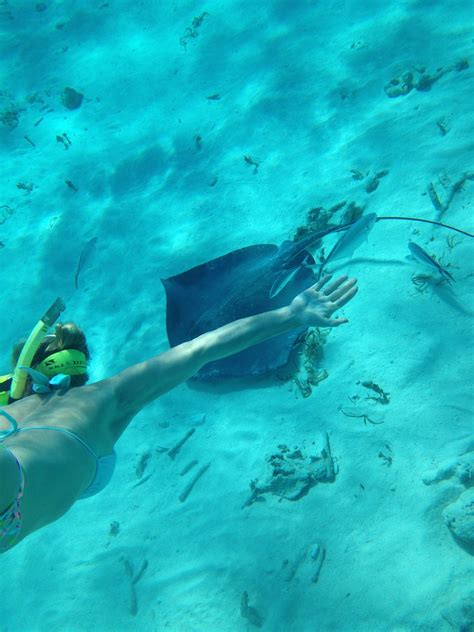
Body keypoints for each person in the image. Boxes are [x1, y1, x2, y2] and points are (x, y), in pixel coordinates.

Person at [0, 274, 357, 553]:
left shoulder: (10, 406)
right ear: (77, 371)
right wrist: (291, 315)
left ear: (22, 377)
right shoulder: (106, 396)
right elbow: (201, 348)